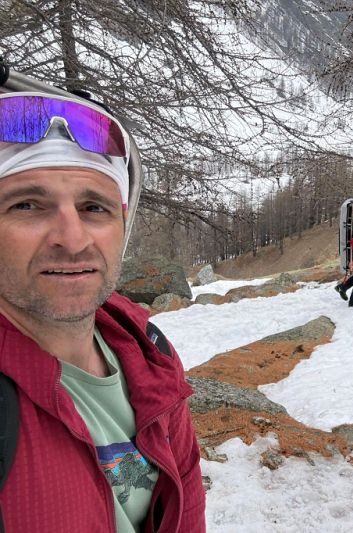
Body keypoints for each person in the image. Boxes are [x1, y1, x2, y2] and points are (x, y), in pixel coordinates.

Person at [0, 88, 205, 532]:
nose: (73, 240)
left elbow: (186, 510)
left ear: (122, 228)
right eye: (27, 205)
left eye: (95, 208)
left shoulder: (149, 353)